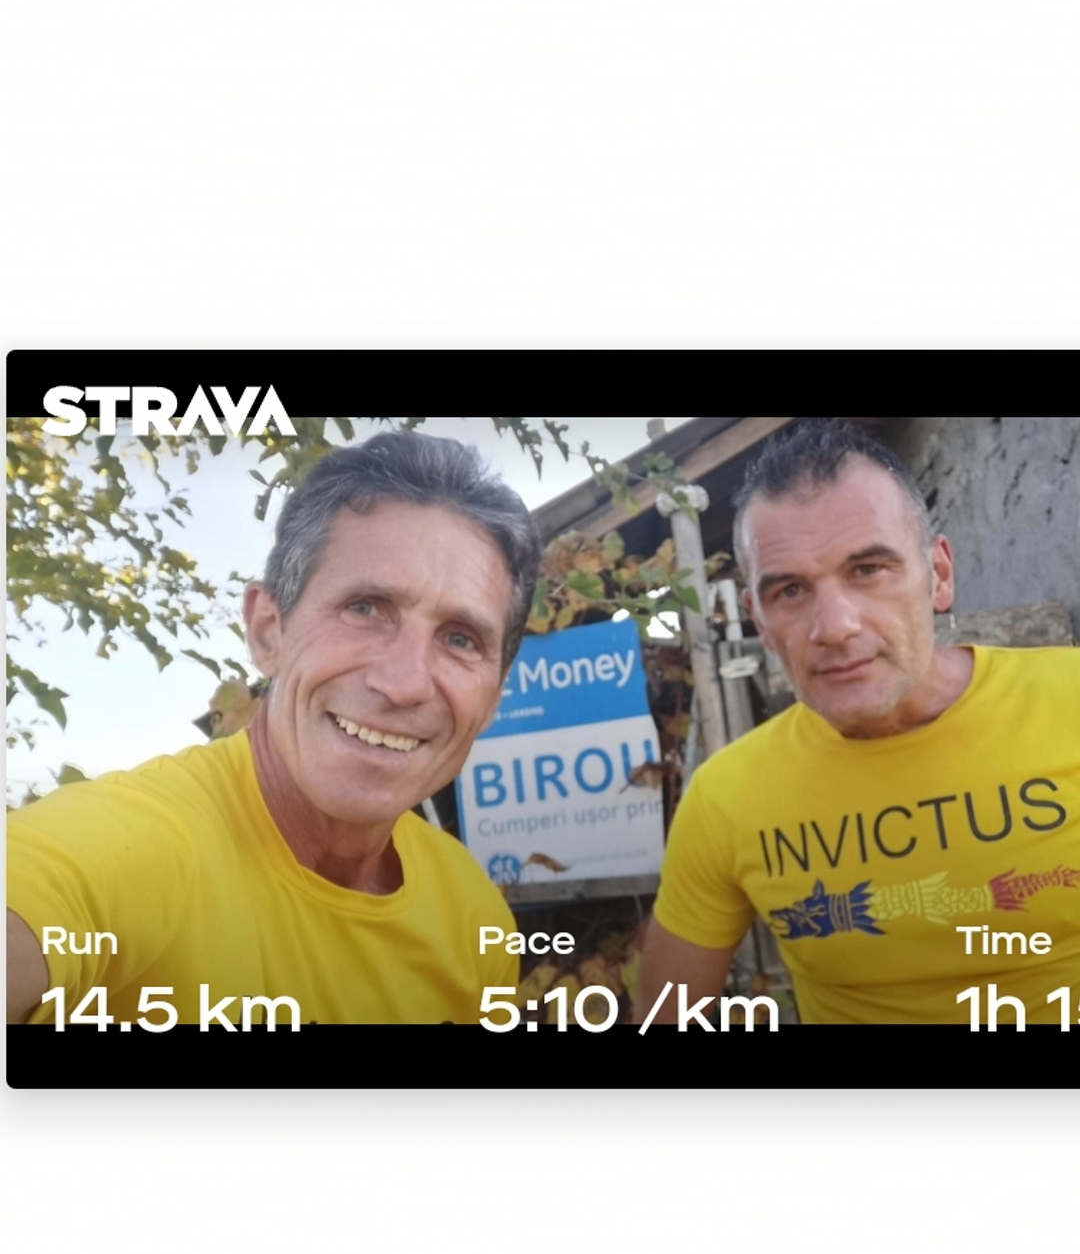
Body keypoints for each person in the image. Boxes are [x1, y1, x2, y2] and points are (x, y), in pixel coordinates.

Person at [7, 431, 542, 1026]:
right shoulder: (125, 850)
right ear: (268, 631)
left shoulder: (474, 918)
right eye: (365, 607)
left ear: (493, 697)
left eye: (461, 639)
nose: (405, 683)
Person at [635, 419, 1080, 1026]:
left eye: (868, 569)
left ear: (939, 575)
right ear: (760, 620)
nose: (835, 626)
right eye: (791, 591)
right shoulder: (727, 800)